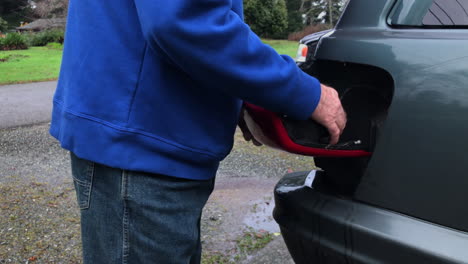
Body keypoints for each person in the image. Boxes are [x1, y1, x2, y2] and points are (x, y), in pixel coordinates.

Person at [50, 0, 346, 263]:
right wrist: (309, 94)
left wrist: (238, 97)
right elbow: (184, 19)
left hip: (143, 135)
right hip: (143, 147)